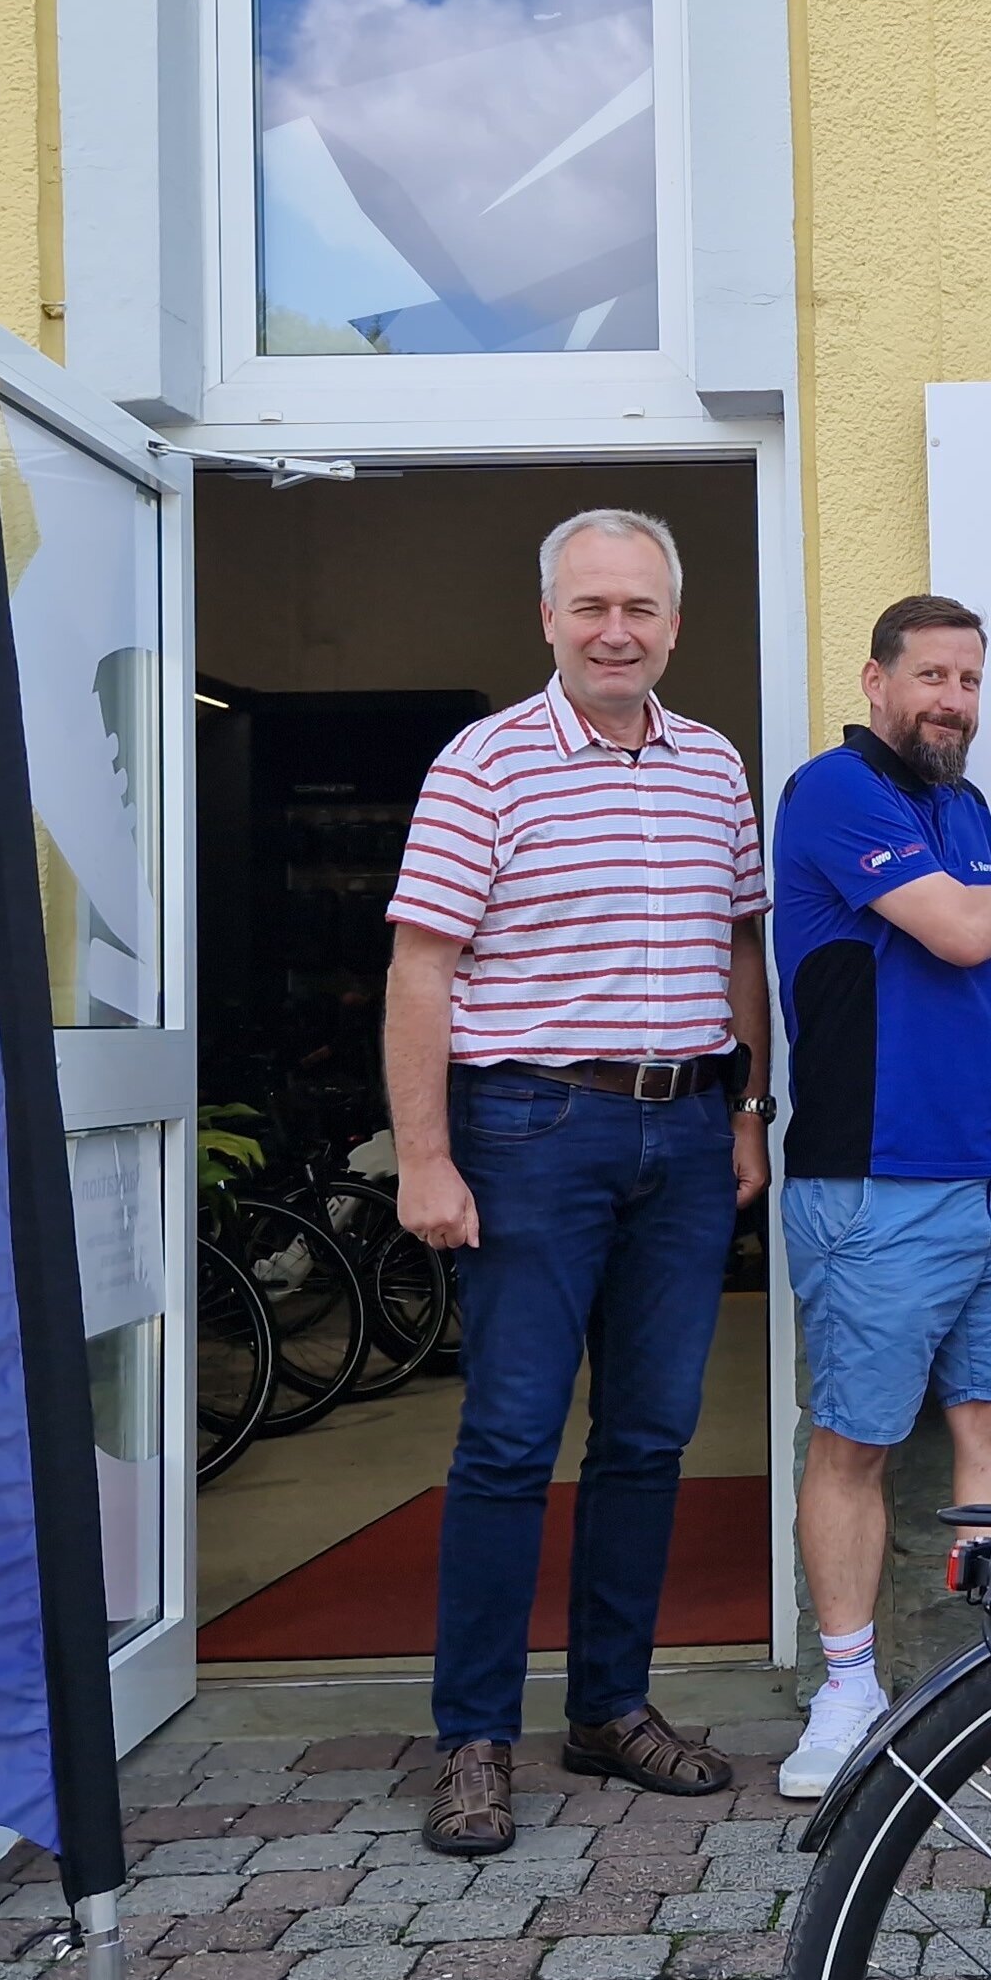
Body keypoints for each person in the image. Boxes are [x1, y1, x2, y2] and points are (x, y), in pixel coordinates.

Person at [385, 508, 775, 1855]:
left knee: (653, 1433)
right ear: (547, 616)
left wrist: (747, 1107)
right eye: (592, 605)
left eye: (642, 608)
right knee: (508, 1438)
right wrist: (425, 1154)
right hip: (534, 1126)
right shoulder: (483, 764)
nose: (619, 629)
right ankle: (474, 1737)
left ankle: (610, 1705)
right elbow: (422, 970)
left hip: (684, 1129)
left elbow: (740, 949)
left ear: (675, 622)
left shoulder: (713, 764)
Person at [770, 593, 991, 1801]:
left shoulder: (963, 803)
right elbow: (963, 929)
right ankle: (847, 1689)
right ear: (877, 676)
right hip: (874, 1189)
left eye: (970, 679)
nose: (953, 698)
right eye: (933, 675)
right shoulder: (833, 792)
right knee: (854, 1439)